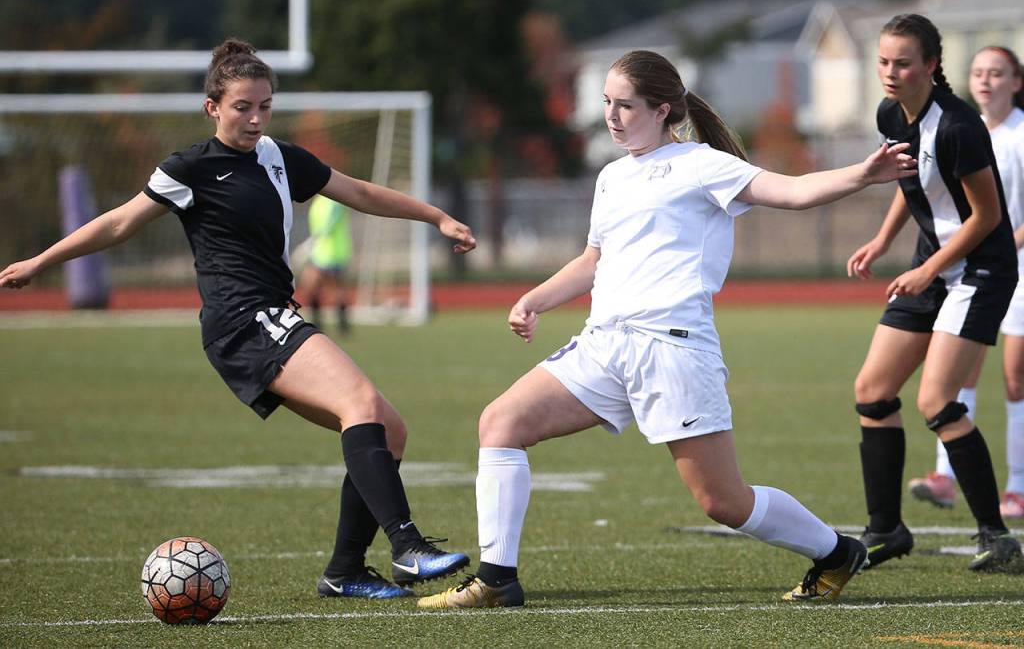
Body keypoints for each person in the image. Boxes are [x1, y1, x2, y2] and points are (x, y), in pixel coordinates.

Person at [417, 49, 919, 609]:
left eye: (626, 105)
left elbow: (795, 193)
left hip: (672, 352)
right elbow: (593, 261)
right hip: (604, 346)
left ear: (662, 110)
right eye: (607, 102)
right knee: (500, 423)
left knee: (723, 502)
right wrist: (535, 299)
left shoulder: (701, 164)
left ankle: (836, 551)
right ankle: (497, 580)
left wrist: (864, 174)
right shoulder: (611, 176)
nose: (611, 115)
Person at [0, 39, 477, 600]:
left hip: (272, 315)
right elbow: (118, 223)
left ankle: (344, 572)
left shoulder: (280, 157)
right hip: (244, 320)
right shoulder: (189, 168)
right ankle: (407, 546)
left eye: (264, 106)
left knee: (388, 430)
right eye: (242, 107)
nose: (255, 119)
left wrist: (436, 217)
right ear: (212, 108)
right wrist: (40, 262)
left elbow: (358, 191)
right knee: (362, 405)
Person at [846, 15, 1023, 574]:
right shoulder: (890, 114)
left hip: (981, 270)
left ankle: (997, 536)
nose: (890, 72)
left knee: (936, 401)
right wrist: (882, 241)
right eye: (883, 61)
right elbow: (913, 181)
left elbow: (987, 216)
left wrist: (928, 270)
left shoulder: (958, 125)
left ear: (930, 65)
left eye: (903, 63)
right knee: (873, 391)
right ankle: (886, 530)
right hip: (934, 264)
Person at [907, 46, 1024, 520]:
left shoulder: (1020, 134)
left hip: (1013, 267)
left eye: (997, 72)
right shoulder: (963, 128)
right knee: (960, 374)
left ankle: (1017, 486)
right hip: (975, 268)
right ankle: (945, 477)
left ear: (1016, 81)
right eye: (978, 72)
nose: (985, 80)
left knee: (1016, 378)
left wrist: (1002, 245)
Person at [298, 194, 354, 333]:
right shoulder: (318, 201)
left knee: (332, 289)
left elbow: (328, 225)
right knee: (313, 287)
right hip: (320, 252)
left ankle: (341, 325)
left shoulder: (333, 199)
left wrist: (308, 244)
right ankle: (325, 324)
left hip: (332, 253)